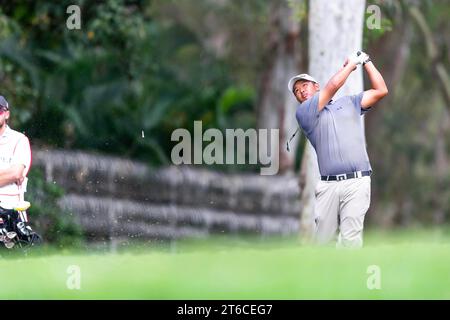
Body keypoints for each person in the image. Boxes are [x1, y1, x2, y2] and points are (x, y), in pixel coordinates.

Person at [288, 51, 388, 248]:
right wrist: (351, 65)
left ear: (316, 86)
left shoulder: (349, 103)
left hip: (357, 181)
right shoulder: (305, 113)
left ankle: (351, 279)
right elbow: (333, 86)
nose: (301, 92)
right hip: (328, 186)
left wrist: (366, 60)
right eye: (297, 91)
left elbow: (381, 90)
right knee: (324, 244)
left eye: (304, 86)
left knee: (351, 240)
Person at [0, 95, 36, 247]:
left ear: (6, 113)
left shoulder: (18, 140)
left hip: (11, 216)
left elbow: (16, 173)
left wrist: (11, 175)